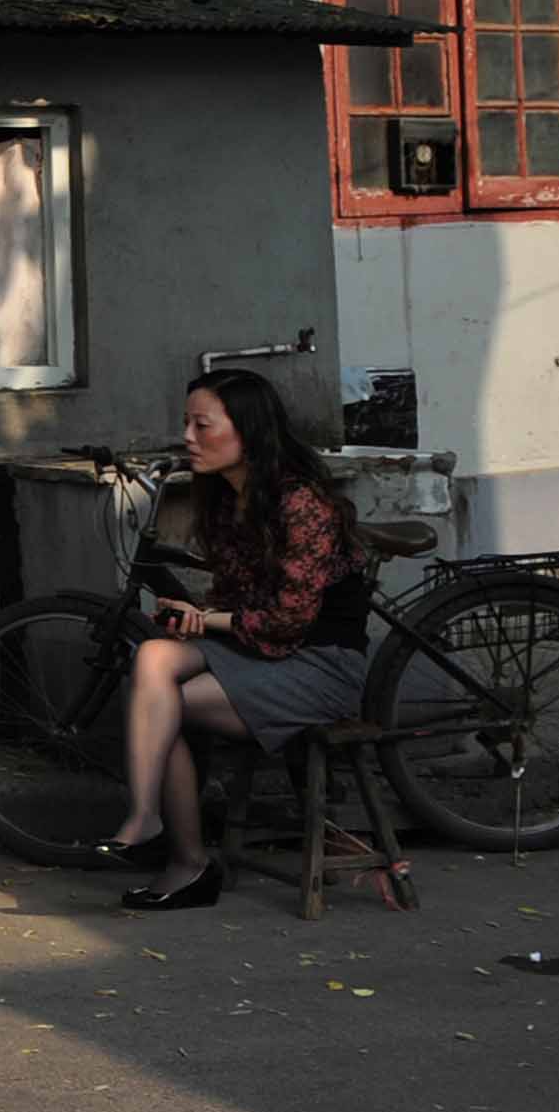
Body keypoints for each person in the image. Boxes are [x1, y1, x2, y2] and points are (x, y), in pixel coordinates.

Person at [107, 367, 373, 912]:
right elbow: (241, 600)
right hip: (266, 652)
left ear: (246, 431)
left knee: (163, 705)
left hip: (319, 665)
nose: (188, 437)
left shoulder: (301, 504)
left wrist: (210, 621)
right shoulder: (227, 500)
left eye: (202, 425)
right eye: (186, 424)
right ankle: (150, 821)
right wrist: (199, 612)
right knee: (155, 661)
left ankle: (181, 857)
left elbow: (288, 620)